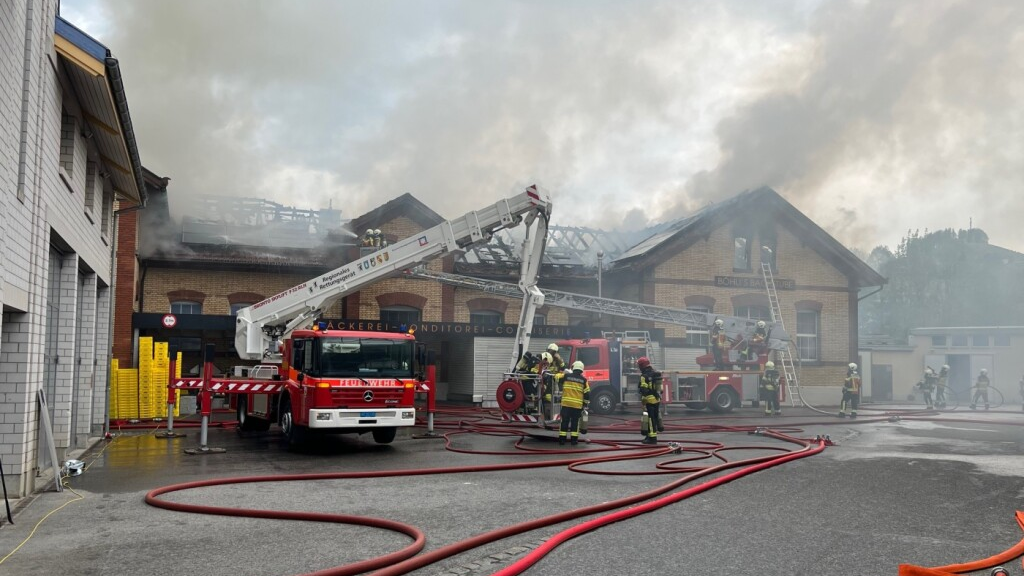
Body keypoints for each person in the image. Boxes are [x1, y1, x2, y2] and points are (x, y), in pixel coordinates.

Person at [558, 361, 590, 446]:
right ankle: (574, 441)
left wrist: (559, 373)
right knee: (575, 423)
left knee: (564, 422)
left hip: (566, 404)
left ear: (574, 367)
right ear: (581, 369)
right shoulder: (584, 380)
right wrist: (585, 404)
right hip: (577, 406)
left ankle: (562, 440)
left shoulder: (566, 376)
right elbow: (587, 394)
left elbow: (558, 379)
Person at [637, 356, 663, 444]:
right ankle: (650, 435)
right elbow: (660, 389)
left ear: (642, 366)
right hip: (656, 400)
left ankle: (652, 438)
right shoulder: (655, 373)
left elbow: (644, 390)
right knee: (654, 418)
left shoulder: (644, 376)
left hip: (649, 400)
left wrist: (643, 400)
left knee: (650, 419)